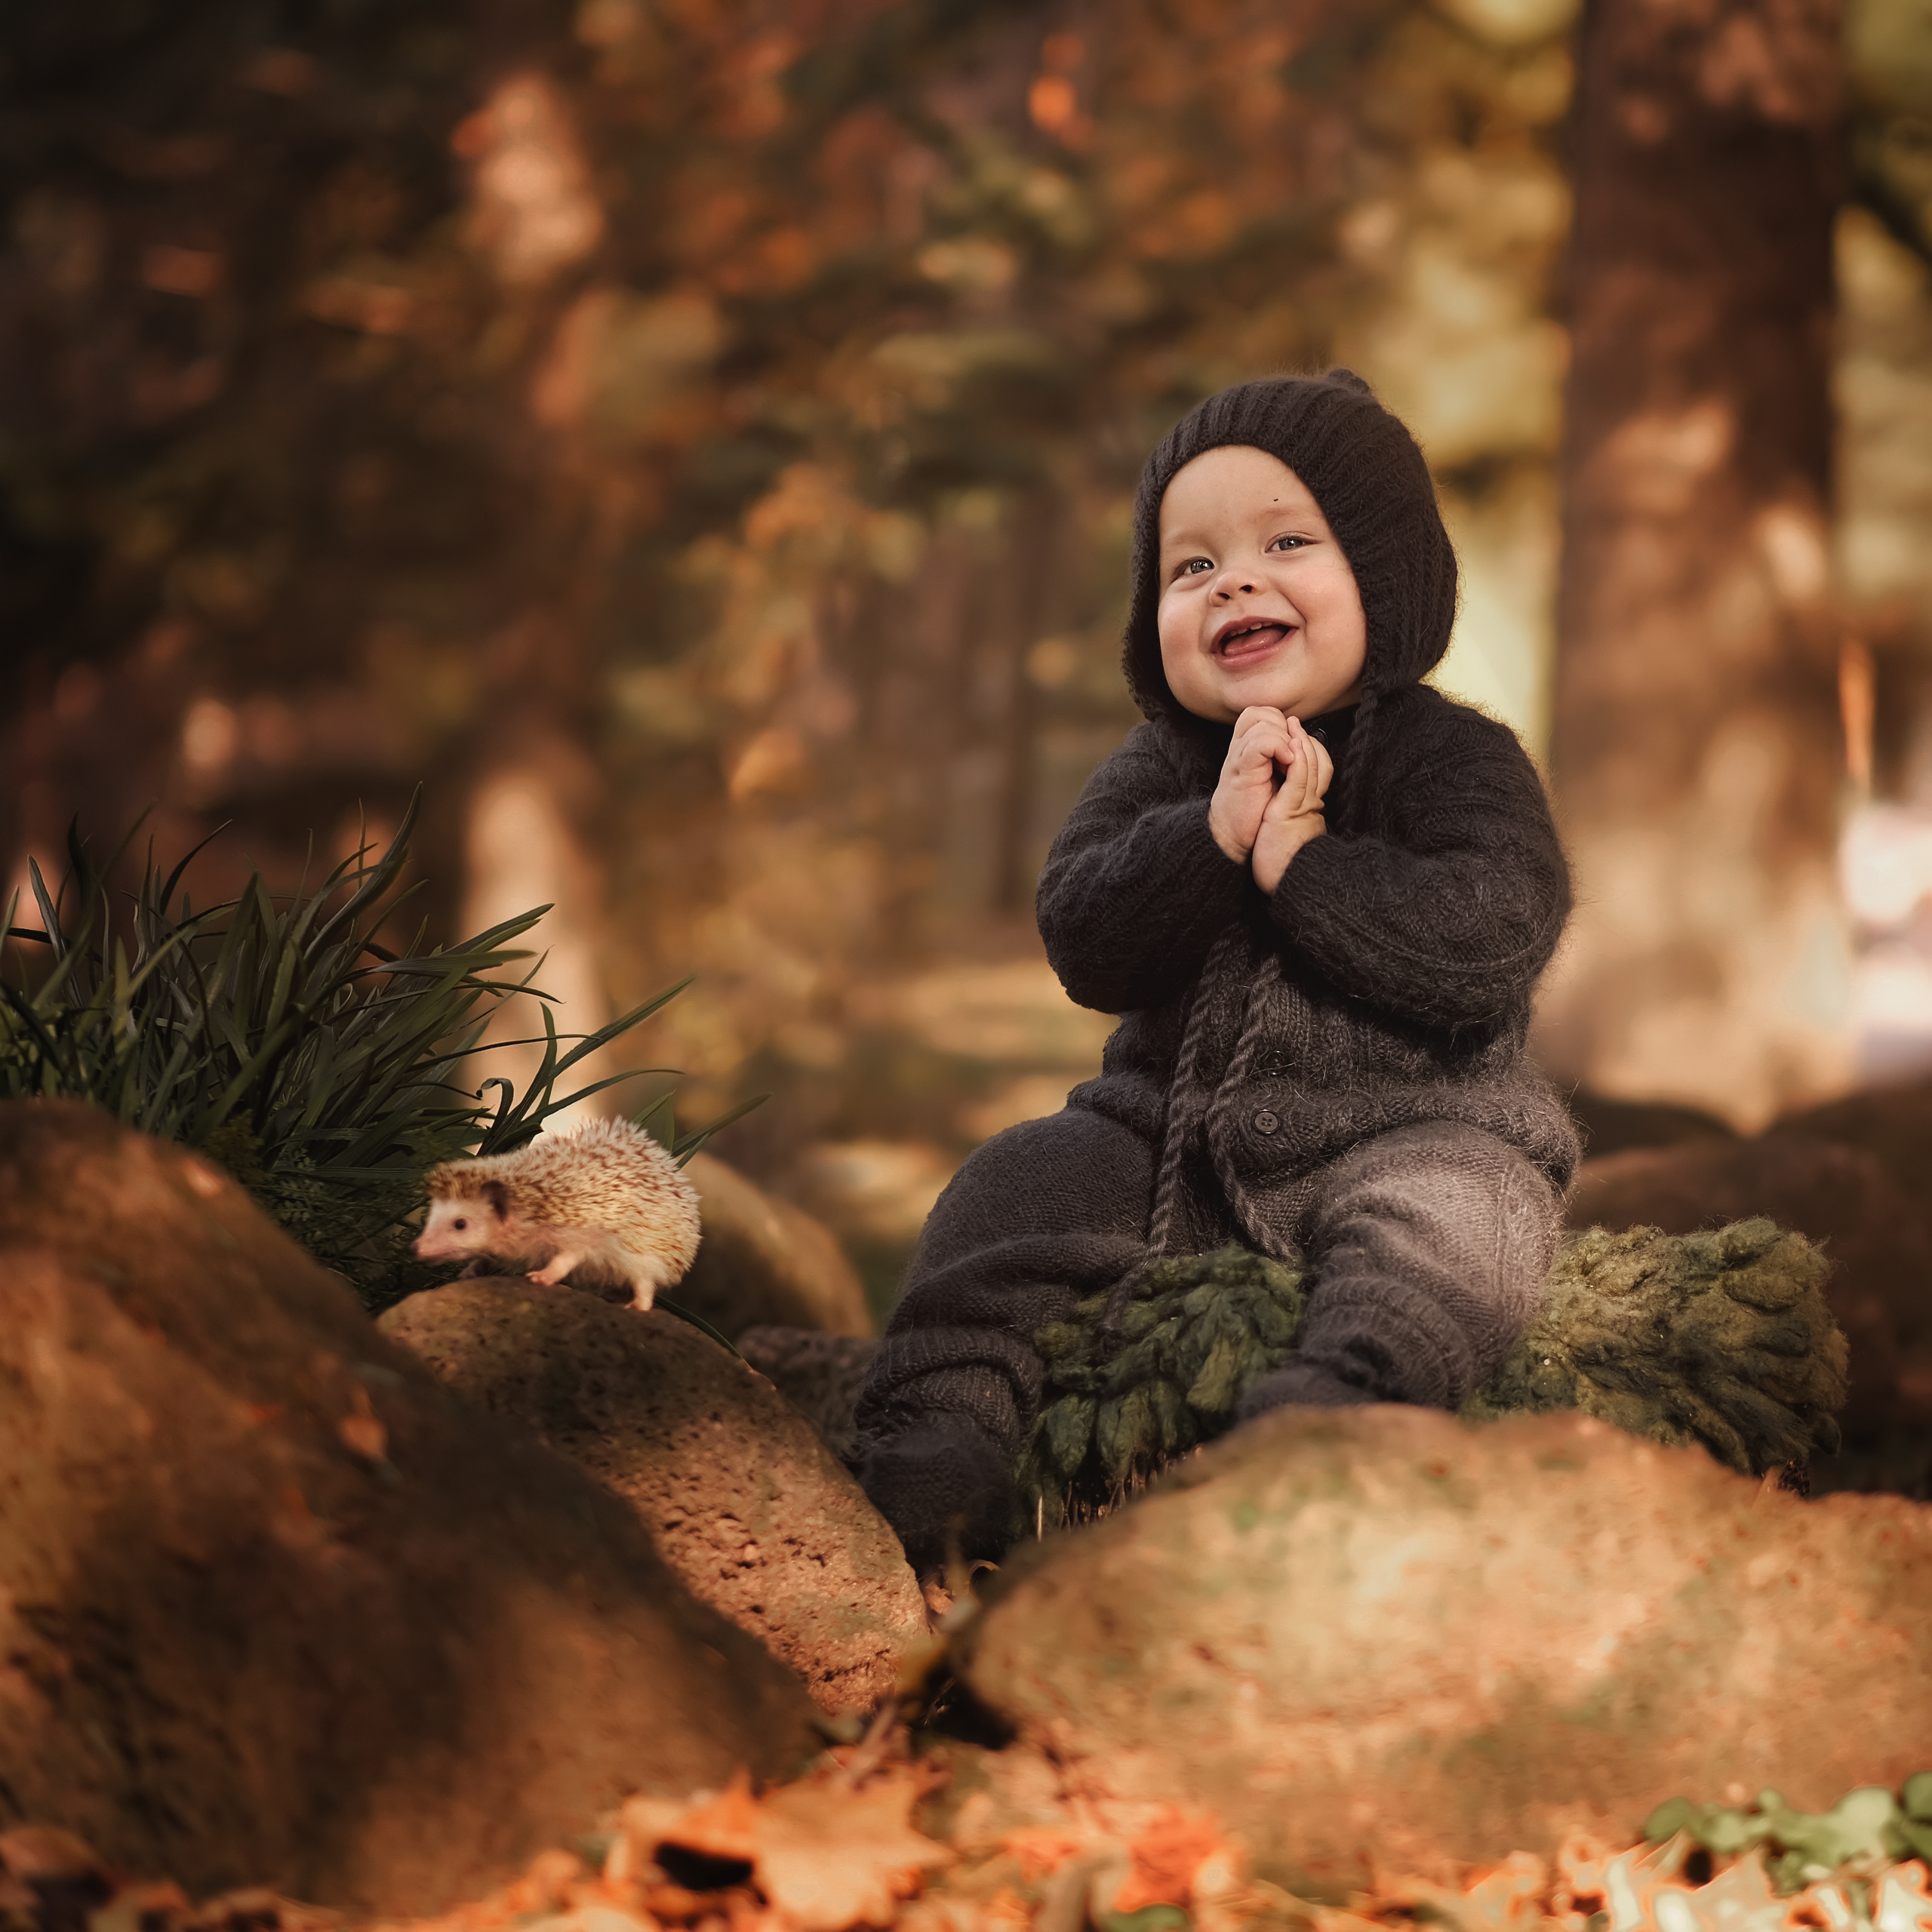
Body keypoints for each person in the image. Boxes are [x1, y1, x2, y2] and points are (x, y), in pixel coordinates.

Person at [849, 371, 1580, 1575]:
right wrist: (1210, 839)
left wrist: (1303, 864)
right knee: (1015, 1184)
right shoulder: (1161, 771)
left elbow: (1492, 939)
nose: (1233, 580)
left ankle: (1335, 1410)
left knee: (1456, 1229)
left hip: (1423, 1126)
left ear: (1386, 583)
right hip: (1165, 1145)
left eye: (1288, 542)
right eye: (1191, 567)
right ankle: (938, 1443)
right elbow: (1083, 938)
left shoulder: (1456, 760)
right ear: (1154, 625)